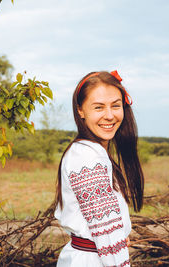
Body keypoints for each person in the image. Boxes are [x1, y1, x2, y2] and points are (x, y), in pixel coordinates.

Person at [54, 70, 144, 267]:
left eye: (116, 106)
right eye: (98, 107)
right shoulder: (86, 156)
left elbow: (107, 228)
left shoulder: (94, 152)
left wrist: (118, 238)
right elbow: (106, 232)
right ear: (80, 110)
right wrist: (115, 246)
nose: (109, 115)